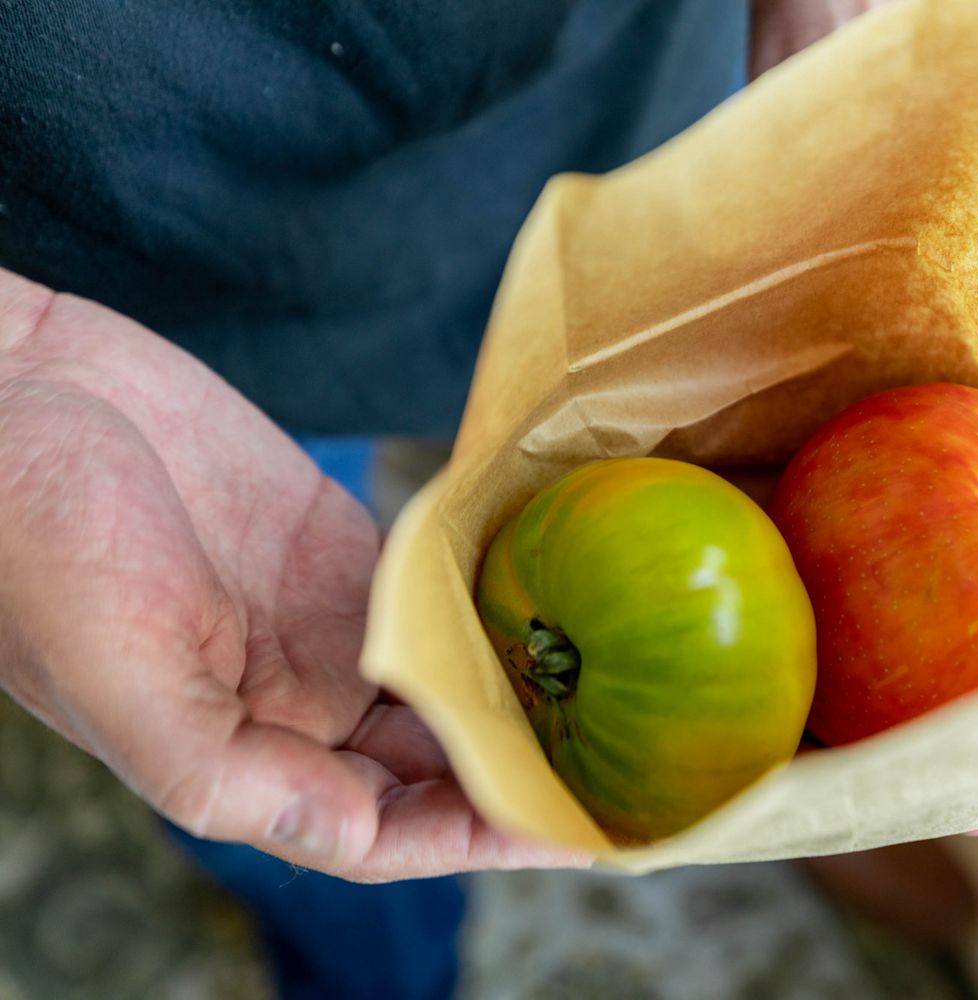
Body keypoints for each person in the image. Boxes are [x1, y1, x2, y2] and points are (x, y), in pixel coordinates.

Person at [0, 2, 889, 996]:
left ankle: (761, 766)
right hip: (137, 282)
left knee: (742, 447)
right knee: (283, 715)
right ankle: (392, 971)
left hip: (623, 104)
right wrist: (12, 353)